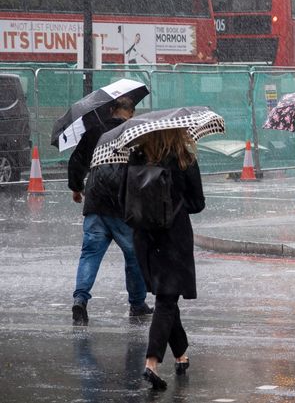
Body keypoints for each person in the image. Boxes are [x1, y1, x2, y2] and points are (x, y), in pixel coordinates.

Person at [126, 128, 205, 390]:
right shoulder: (184, 159)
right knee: (166, 300)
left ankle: (181, 355)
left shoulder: (136, 157)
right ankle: (151, 362)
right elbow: (197, 203)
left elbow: (123, 199)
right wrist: (175, 199)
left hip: (144, 238)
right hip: (174, 237)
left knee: (166, 297)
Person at [68, 97, 152, 324]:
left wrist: (76, 188)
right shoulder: (134, 132)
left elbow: (76, 161)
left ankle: (80, 299)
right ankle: (137, 303)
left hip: (95, 200)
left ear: (111, 110)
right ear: (130, 113)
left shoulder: (94, 131)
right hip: (121, 202)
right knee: (134, 254)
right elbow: (144, 168)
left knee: (90, 254)